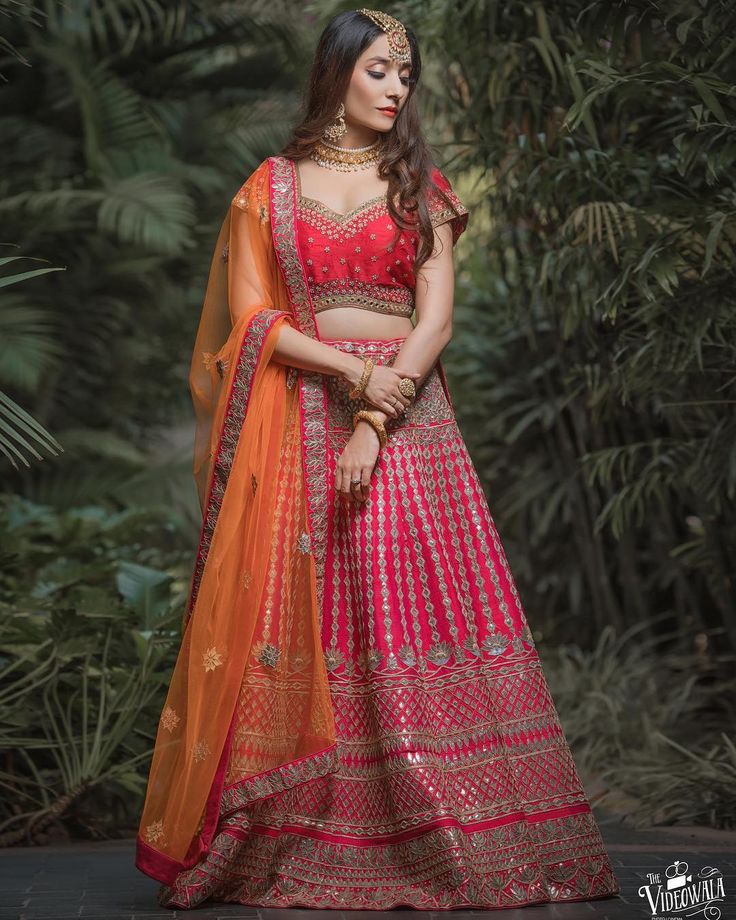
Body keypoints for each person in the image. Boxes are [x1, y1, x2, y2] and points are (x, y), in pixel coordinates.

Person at [134, 8, 622, 911]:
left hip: (407, 425)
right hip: (301, 422)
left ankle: (443, 822)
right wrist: (350, 375)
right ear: (336, 73)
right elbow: (251, 321)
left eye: (408, 74)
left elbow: (434, 320)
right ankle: (296, 826)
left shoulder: (420, 187)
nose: (399, 89)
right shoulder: (268, 190)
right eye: (382, 71)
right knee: (312, 618)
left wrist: (374, 414)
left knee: (407, 613)